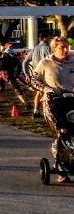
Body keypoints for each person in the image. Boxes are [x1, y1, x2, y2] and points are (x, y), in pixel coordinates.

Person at [31, 37, 74, 183]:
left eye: (66, 47)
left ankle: (70, 158)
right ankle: (59, 165)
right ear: (53, 49)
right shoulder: (45, 63)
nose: (65, 50)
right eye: (61, 47)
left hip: (71, 102)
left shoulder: (72, 63)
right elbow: (32, 79)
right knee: (60, 132)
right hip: (53, 104)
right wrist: (46, 89)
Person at [25, 36, 53, 118]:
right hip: (46, 74)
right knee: (49, 93)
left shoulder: (34, 49)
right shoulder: (47, 48)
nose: (50, 40)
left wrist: (27, 75)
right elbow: (52, 60)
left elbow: (25, 62)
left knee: (39, 93)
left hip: (36, 75)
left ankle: (36, 111)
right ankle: (48, 112)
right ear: (45, 38)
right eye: (49, 38)